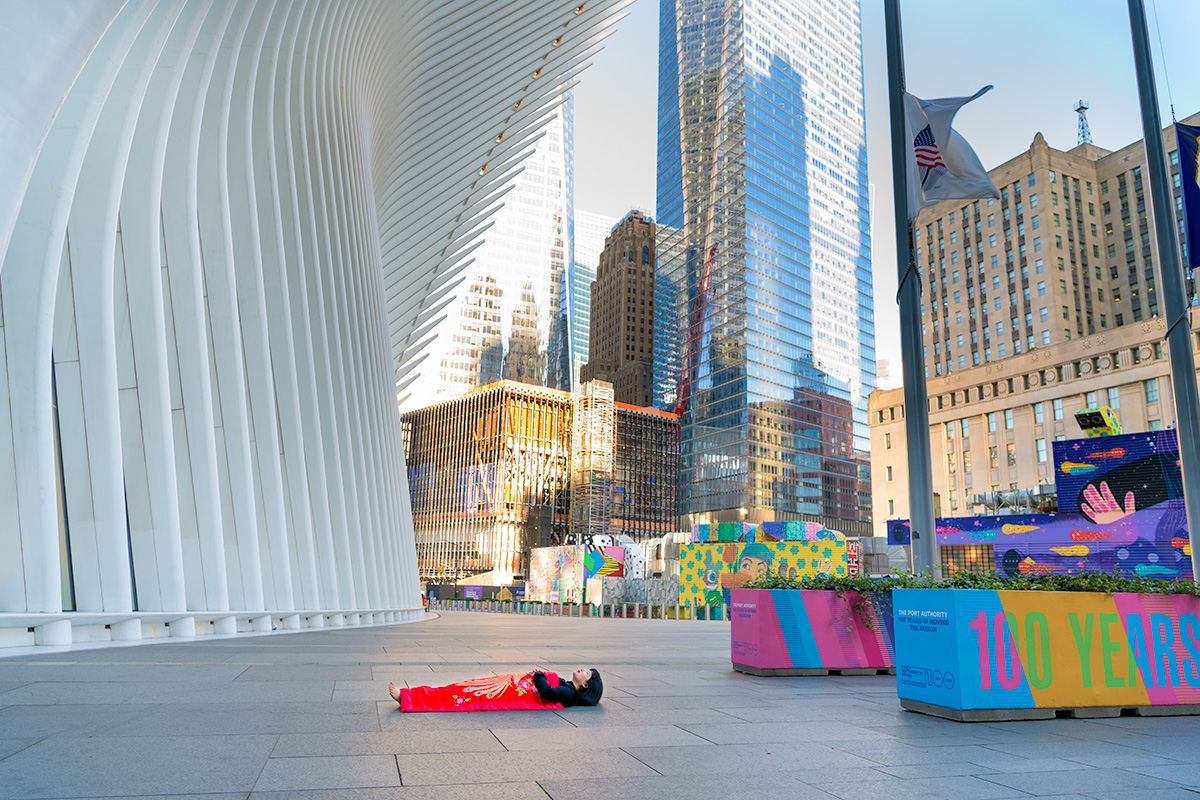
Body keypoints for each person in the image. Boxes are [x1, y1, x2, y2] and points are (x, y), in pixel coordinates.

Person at [387, 667, 602, 712]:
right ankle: (410, 695)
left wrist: (538, 675)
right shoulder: (566, 686)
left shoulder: (567, 693)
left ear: (584, 685)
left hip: (501, 691)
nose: (583, 669)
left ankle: (408, 697)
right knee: (460, 689)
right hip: (503, 686)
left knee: (460, 692)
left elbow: (546, 693)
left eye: (587, 674)